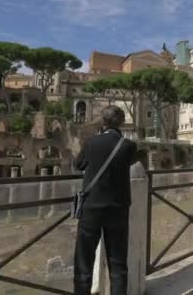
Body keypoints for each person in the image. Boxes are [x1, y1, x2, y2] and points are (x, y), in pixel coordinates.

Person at [73, 106, 137, 295]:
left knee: (84, 262)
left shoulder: (92, 142)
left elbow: (78, 165)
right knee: (118, 264)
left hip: (92, 208)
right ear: (122, 123)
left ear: (103, 122)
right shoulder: (129, 146)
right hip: (118, 209)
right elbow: (132, 163)